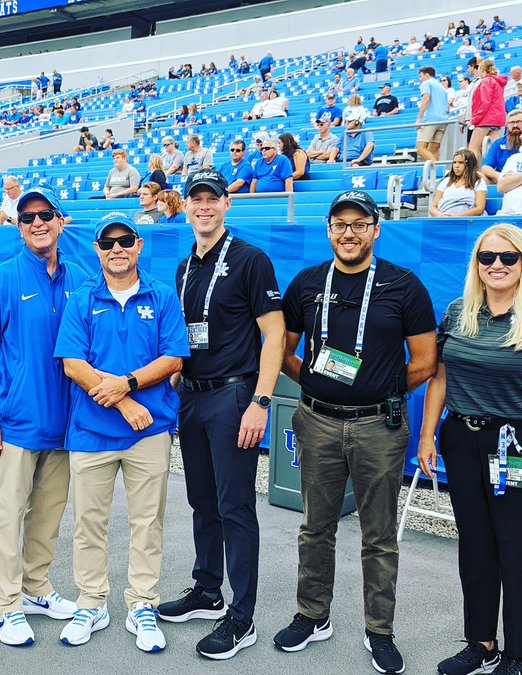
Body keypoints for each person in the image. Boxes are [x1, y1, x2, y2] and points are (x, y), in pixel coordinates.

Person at [275, 190, 436, 675]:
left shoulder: (403, 286)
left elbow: (425, 363)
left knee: (379, 535)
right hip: (317, 420)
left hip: (378, 427)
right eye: (340, 224)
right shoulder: (306, 284)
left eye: (359, 224)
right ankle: (312, 615)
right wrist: (321, 386)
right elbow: (283, 351)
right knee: (315, 527)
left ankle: (379, 630)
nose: (349, 233)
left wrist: (380, 389)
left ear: (375, 230)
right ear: (328, 230)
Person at [418, 223, 522, 675]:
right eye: (487, 257)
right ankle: (482, 643)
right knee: (475, 546)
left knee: (520, 549)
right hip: (463, 440)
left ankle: (518, 653)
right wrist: (428, 434)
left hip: (520, 446)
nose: (496, 266)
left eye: (508, 258)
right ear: (476, 263)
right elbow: (441, 379)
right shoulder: (458, 312)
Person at [156, 169, 284, 660]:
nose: (203, 206)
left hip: (234, 397)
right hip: (192, 394)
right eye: (195, 199)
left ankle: (242, 615)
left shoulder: (251, 260)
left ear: (227, 204)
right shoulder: (186, 266)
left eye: (212, 198)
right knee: (202, 501)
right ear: (185, 206)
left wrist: (261, 400)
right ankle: (207, 589)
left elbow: (274, 334)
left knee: (235, 507)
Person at [0, 186, 88, 647]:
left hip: (67, 422)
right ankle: (6, 604)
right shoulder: (3, 277)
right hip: (16, 420)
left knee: (48, 514)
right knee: (8, 514)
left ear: (60, 220)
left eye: (46, 214)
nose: (38, 222)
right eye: (28, 216)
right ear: (18, 225)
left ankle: (36, 588)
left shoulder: (80, 276)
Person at [53, 212, 190, 653]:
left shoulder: (162, 295)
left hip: (149, 432)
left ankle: (142, 604)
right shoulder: (82, 298)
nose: (117, 249)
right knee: (89, 522)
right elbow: (72, 363)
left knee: (146, 521)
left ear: (138, 245)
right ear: (97, 249)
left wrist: (128, 384)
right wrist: (124, 400)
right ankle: (92, 602)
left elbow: (174, 359)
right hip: (92, 430)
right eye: (107, 242)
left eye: (125, 240)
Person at [469, 59, 507, 161]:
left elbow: (484, 102)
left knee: (473, 148)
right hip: (497, 120)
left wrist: (474, 120)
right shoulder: (497, 82)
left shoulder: (486, 81)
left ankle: (472, 174)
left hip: (485, 120)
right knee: (496, 149)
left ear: (482, 70)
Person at [430, 149, 487, 216]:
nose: (456, 166)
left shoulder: (478, 182)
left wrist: (456, 216)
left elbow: (480, 209)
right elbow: (433, 207)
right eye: (454, 162)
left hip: (467, 222)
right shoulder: (446, 181)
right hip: (444, 219)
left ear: (469, 164)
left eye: (460, 162)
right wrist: (440, 215)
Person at [481, 109, 522, 185]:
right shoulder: (498, 143)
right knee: (479, 176)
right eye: (512, 122)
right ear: (507, 125)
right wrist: (499, 176)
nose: (515, 125)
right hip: (502, 179)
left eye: (519, 122)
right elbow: (486, 167)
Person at [416, 66, 449, 163]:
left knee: (420, 148)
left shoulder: (426, 83)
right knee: (433, 150)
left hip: (431, 120)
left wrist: (419, 118)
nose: (420, 79)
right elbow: (448, 108)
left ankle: (438, 168)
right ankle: (438, 176)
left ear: (426, 75)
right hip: (443, 120)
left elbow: (426, 99)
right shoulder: (442, 88)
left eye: (421, 76)